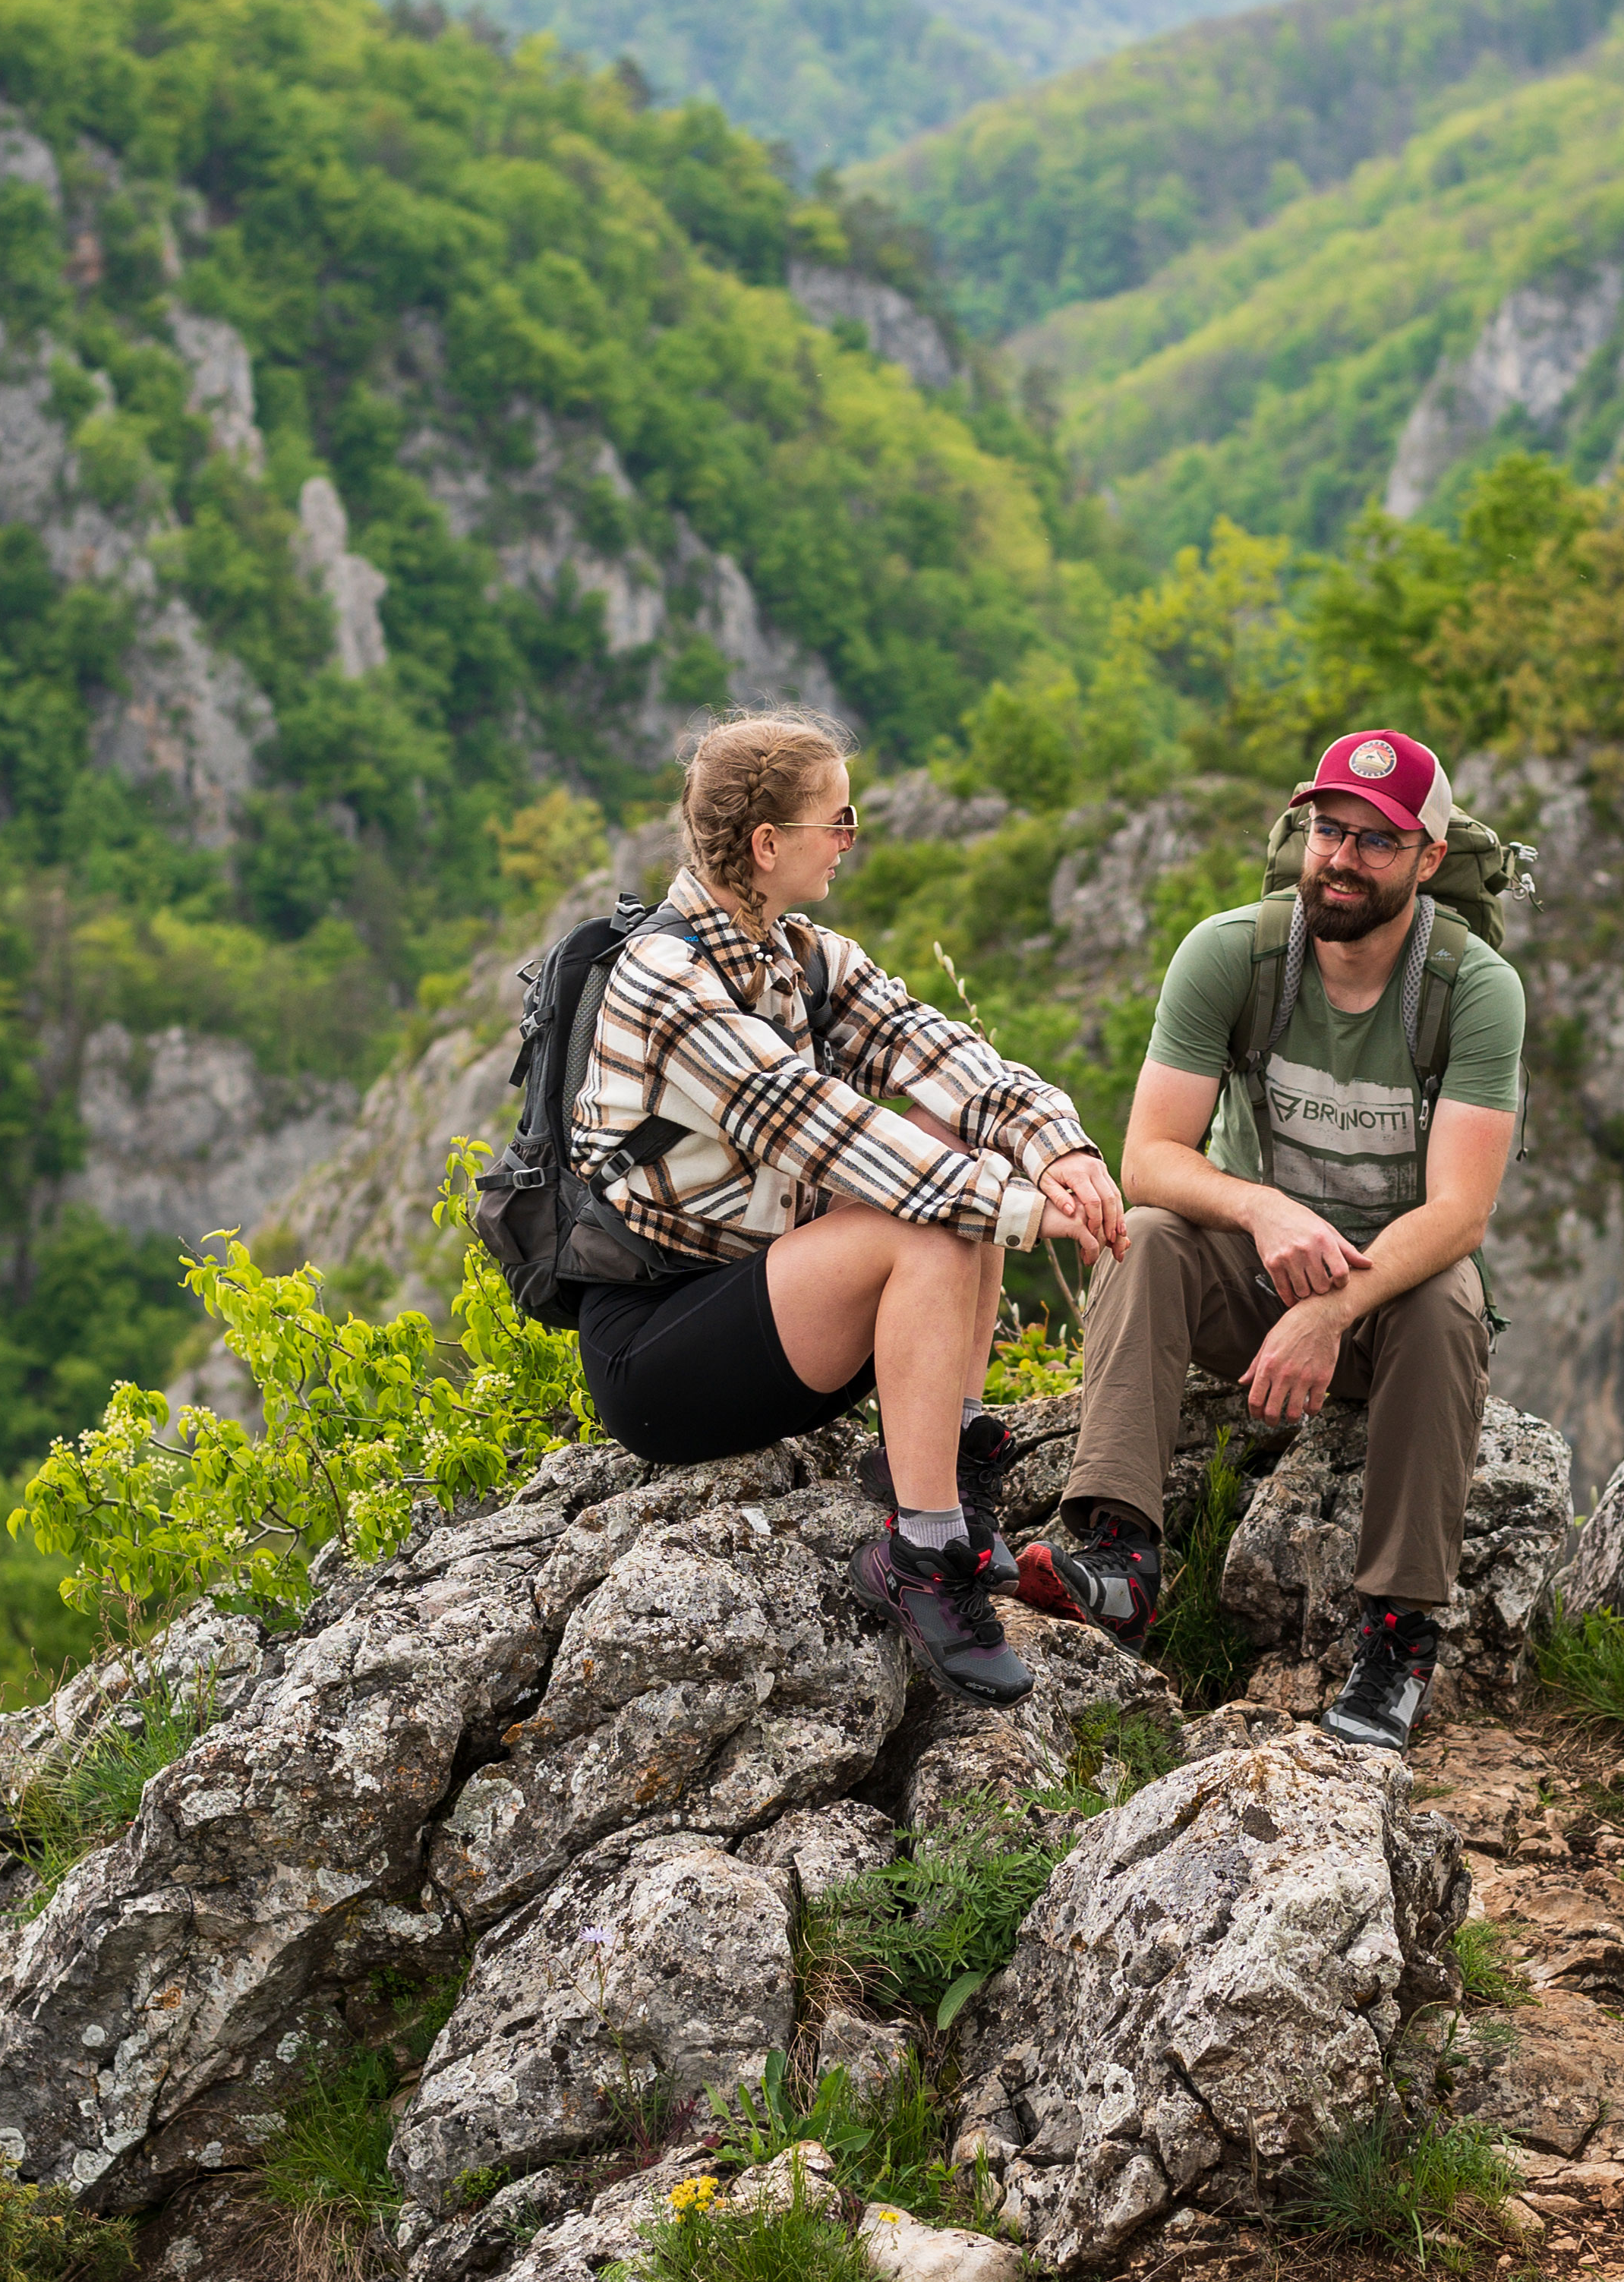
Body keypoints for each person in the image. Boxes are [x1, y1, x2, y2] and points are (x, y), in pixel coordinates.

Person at [569, 708, 1127, 1707]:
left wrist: (1058, 1147)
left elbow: (942, 1054)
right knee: (936, 1213)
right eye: (839, 818)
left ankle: (947, 1483)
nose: (852, 836)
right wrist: (1023, 1209)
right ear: (767, 843)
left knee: (963, 1144)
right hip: (660, 1350)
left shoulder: (800, 954)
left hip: (778, 1306)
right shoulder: (665, 981)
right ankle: (919, 1555)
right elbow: (830, 1134)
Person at [1020, 726, 1524, 1754]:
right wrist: (1264, 1209)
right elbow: (1150, 1156)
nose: (1340, 856)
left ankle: (1398, 1636)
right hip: (1251, 1273)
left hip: (1383, 1302)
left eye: (1376, 840)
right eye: (1326, 828)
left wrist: (1333, 1308)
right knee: (1148, 1234)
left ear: (1430, 860)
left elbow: (1460, 1214)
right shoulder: (1234, 954)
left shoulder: (1472, 991)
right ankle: (1117, 1555)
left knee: (1448, 1299)